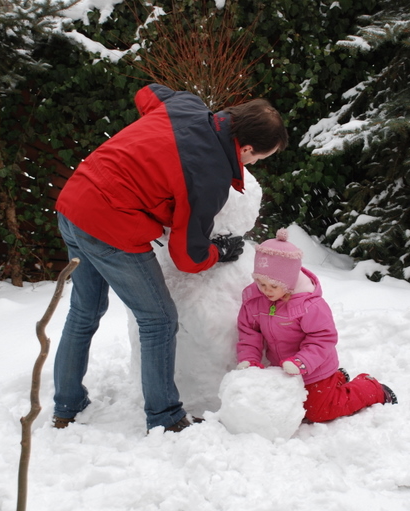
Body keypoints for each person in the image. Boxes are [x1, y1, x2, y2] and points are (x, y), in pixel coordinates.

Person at [52, 83, 288, 433]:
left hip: (73, 204)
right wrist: (219, 251)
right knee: (159, 319)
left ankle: (66, 405)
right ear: (248, 147)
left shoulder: (187, 106)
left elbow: (148, 92)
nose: (252, 164)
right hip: (111, 224)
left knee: (84, 311)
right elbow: (187, 256)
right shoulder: (209, 174)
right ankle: (165, 417)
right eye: (256, 159)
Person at [236, 228, 397, 423]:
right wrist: (250, 360)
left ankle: (371, 388)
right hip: (284, 371)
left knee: (317, 412)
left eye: (273, 286)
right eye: (261, 283)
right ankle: (337, 380)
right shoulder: (254, 300)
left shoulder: (309, 306)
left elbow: (323, 338)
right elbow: (249, 332)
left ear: (288, 282)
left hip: (314, 368)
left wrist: (301, 362)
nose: (266, 291)